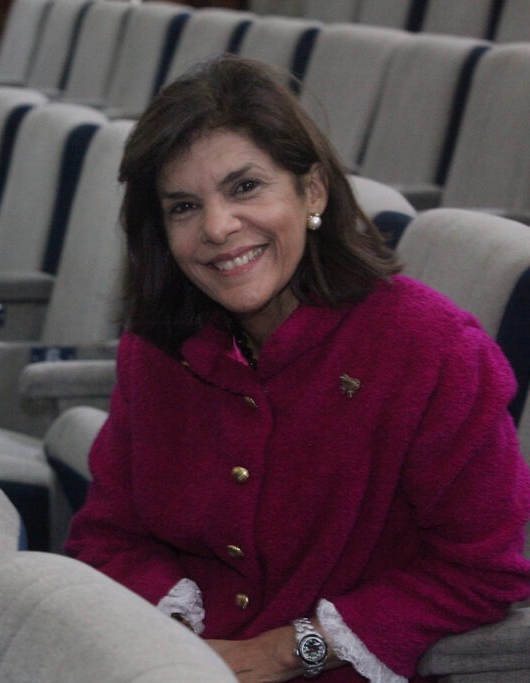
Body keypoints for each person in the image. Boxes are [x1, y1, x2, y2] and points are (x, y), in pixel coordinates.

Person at [64, 54, 530, 683]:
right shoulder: (156, 349)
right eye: (183, 207)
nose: (217, 227)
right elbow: (107, 534)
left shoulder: (433, 352)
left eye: (245, 188)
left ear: (312, 191)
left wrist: (290, 650)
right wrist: (181, 646)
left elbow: (481, 569)